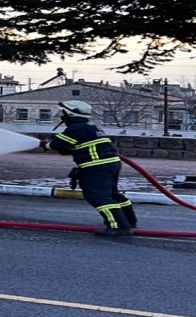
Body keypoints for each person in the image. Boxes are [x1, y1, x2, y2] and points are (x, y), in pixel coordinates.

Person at [45, 100, 137, 236]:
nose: (61, 116)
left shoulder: (76, 128)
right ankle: (129, 221)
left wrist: (46, 144)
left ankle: (119, 227)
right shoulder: (90, 126)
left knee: (98, 196)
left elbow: (57, 145)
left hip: (96, 166)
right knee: (112, 194)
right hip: (109, 164)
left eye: (63, 112)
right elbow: (67, 148)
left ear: (70, 114)